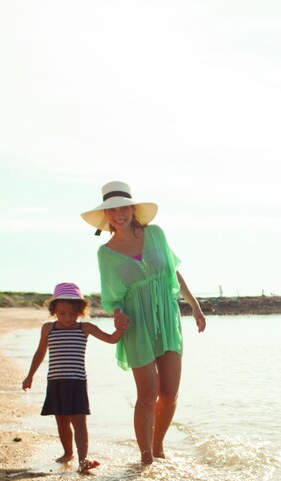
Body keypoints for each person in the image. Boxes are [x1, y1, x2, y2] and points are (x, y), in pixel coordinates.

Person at [82, 181, 206, 465]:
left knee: (170, 392)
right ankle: (146, 456)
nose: (118, 215)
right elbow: (112, 297)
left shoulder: (156, 234)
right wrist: (118, 316)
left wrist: (195, 306)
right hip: (136, 324)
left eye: (122, 208)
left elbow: (173, 273)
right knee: (148, 393)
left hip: (167, 319)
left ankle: (159, 444)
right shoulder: (106, 253)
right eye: (111, 211)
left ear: (132, 209)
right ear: (106, 216)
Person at [22, 282, 126, 472]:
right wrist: (30, 375)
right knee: (61, 420)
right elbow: (40, 353)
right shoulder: (48, 328)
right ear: (54, 310)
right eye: (62, 313)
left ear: (81, 311)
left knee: (79, 421)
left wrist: (121, 328)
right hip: (56, 382)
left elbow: (111, 339)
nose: (67, 318)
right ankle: (68, 452)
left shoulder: (85, 328)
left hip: (77, 382)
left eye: (72, 313)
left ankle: (83, 460)